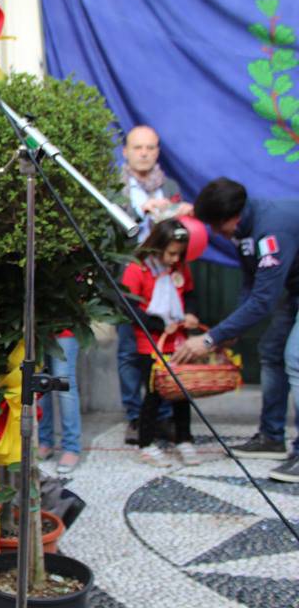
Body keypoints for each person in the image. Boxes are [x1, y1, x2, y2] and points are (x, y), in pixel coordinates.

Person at [174, 178, 299, 483]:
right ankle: (271, 437)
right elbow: (250, 282)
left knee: (295, 357)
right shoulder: (244, 229)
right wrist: (232, 328)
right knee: (271, 350)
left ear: (233, 218)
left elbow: (264, 300)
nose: (216, 234)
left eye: (217, 227)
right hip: (294, 289)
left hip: (288, 290)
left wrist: (210, 337)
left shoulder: (271, 229)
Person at [117, 125, 192, 443]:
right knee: (130, 352)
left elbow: (181, 236)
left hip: (167, 282)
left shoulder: (170, 186)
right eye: (138, 147)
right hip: (133, 279)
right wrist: (139, 212)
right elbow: (111, 234)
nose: (144, 153)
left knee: (168, 350)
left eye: (150, 147)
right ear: (126, 152)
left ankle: (163, 417)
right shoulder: (115, 189)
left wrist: (181, 216)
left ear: (158, 151)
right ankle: (136, 417)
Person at [121, 219, 201, 466]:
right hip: (151, 343)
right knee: (154, 394)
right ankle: (146, 444)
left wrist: (189, 315)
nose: (175, 259)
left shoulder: (180, 269)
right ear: (157, 246)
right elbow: (128, 308)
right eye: (171, 253)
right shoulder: (138, 269)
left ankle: (184, 439)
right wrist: (158, 324)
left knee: (182, 393)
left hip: (178, 342)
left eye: (179, 254)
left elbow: (189, 295)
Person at [38, 331, 82, 474]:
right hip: (37, 329)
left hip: (64, 328)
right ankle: (44, 441)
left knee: (64, 384)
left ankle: (71, 447)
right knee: (40, 384)